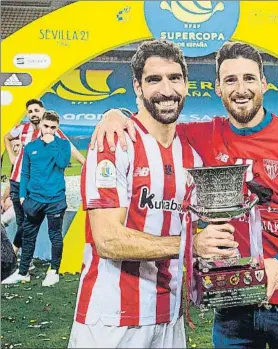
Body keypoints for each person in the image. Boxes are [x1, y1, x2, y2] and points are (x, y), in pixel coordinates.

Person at [92, 41, 278, 349]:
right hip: (230, 303)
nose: (241, 88)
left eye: (249, 78)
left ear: (263, 82)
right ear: (217, 88)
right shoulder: (200, 136)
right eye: (230, 80)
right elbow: (153, 122)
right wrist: (116, 113)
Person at [67, 40, 237, 349]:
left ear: (186, 85)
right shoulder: (114, 143)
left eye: (174, 78)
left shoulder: (192, 156)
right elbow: (107, 239)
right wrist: (192, 245)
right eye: (154, 79)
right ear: (137, 86)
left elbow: (198, 230)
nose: (167, 89)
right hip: (112, 320)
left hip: (169, 318)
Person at [3, 99, 85, 255]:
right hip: (16, 181)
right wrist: (12, 156)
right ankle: (26, 261)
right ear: (27, 114)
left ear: (43, 111)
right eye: (30, 111)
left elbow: (69, 146)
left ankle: (14, 254)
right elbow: (7, 137)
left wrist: (84, 162)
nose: (33, 114)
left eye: (36, 110)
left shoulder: (50, 131)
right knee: (21, 221)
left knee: (27, 222)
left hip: (33, 185)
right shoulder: (22, 129)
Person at [2, 111, 71, 287]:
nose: (48, 130)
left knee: (55, 235)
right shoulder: (31, 147)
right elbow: (25, 173)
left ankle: (54, 270)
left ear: (57, 128)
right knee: (28, 235)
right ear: (41, 125)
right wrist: (23, 196)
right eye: (46, 126)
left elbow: (62, 163)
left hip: (55, 200)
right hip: (33, 200)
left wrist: (53, 143)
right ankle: (23, 272)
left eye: (53, 127)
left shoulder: (62, 144)